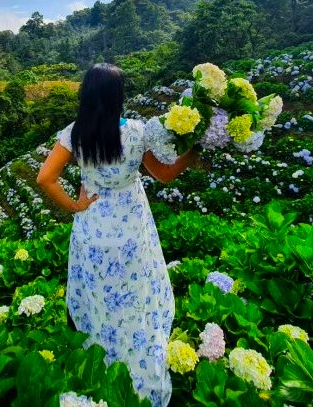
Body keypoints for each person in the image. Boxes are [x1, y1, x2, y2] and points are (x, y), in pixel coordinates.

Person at [36, 63, 195, 406]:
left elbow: (45, 178)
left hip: (93, 228)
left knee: (99, 295)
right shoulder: (137, 132)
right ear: (117, 96)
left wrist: (75, 207)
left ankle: (99, 359)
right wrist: (192, 152)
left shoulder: (74, 133)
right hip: (131, 227)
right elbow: (164, 175)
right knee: (136, 294)